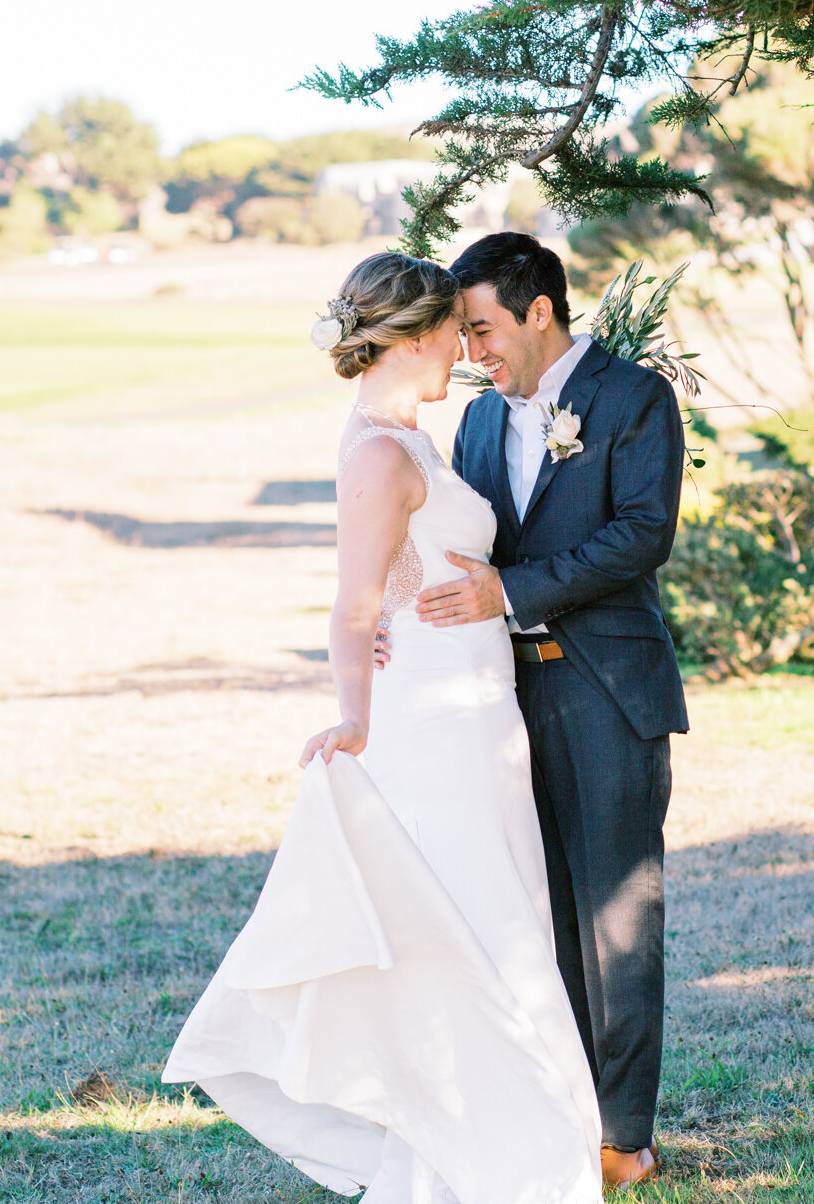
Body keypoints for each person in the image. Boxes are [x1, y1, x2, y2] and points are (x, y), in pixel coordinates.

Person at [162, 252, 604, 1204]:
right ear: (411, 337)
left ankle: (497, 1140)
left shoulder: (409, 436)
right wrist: (355, 716)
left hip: (481, 718)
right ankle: (507, 1149)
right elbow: (353, 606)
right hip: (434, 731)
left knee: (503, 917)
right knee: (475, 926)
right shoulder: (377, 451)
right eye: (455, 330)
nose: (466, 348)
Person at [414, 233, 689, 1190]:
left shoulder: (633, 398)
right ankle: (560, 1111)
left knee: (616, 914)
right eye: (462, 333)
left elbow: (642, 535)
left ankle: (625, 1135)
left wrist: (512, 591)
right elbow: (459, 541)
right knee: (537, 910)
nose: (474, 352)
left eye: (481, 328)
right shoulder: (482, 426)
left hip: (608, 688)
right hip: (501, 699)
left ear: (540, 312)